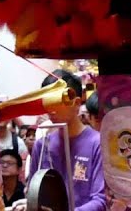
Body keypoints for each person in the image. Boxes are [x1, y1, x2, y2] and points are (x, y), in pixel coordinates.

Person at [26, 70, 104, 211]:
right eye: (47, 101)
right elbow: (34, 194)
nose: (51, 109)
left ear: (77, 103)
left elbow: (101, 199)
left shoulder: (97, 143)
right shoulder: (42, 145)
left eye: (57, 101)